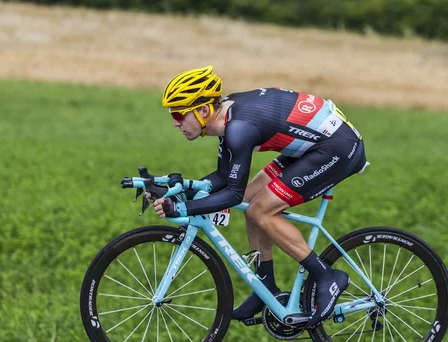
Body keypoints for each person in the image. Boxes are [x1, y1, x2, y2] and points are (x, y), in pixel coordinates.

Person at [149, 66, 368, 327]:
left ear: (204, 110)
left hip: (337, 148)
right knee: (250, 202)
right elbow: (223, 175)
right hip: (311, 145)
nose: (175, 122)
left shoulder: (238, 128)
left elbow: (231, 193)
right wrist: (183, 188)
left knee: (260, 210)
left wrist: (183, 209)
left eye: (178, 114)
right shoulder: (227, 117)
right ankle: (266, 289)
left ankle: (327, 276)